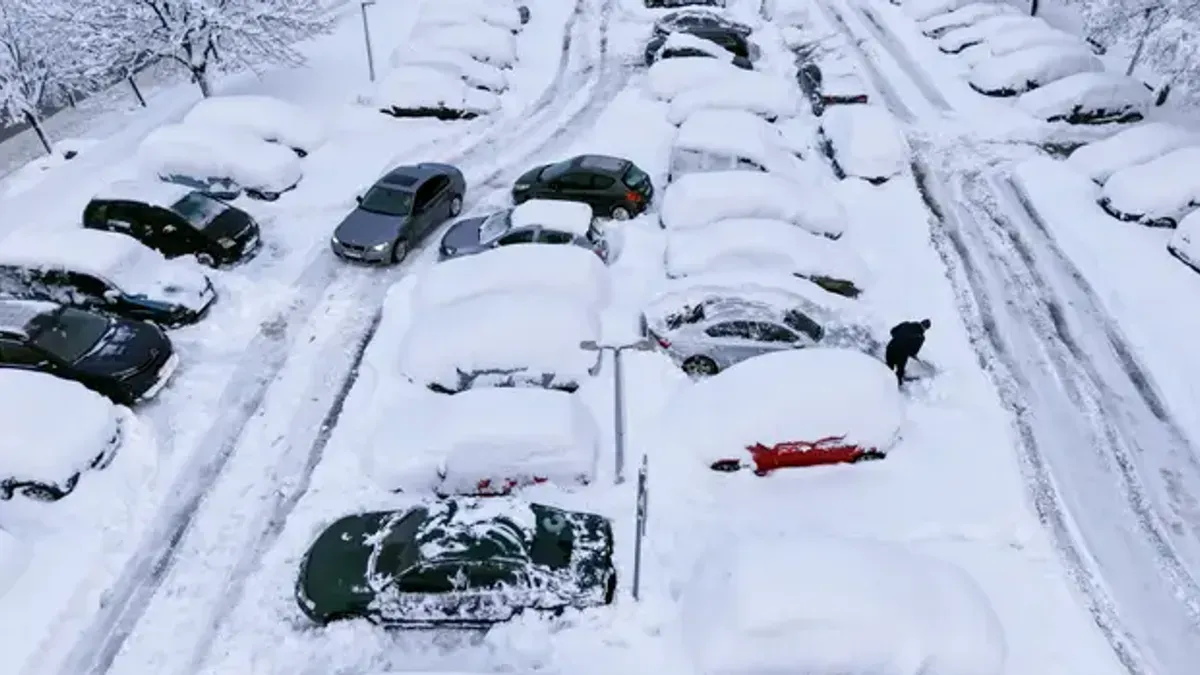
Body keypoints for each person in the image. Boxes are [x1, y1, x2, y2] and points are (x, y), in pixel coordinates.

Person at [885, 318, 930, 386]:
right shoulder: (920, 337)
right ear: (926, 328)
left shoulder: (906, 324)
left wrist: (899, 338)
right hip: (901, 354)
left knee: (888, 368)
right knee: (899, 373)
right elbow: (913, 352)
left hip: (890, 348)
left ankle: (883, 384)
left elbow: (892, 331)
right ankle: (896, 388)